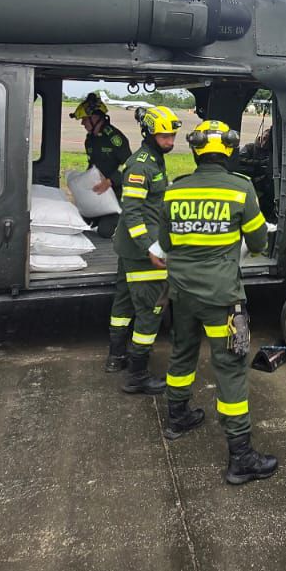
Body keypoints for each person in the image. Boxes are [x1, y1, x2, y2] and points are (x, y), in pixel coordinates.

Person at [153, 119, 277, 484]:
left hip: (181, 292)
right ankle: (241, 457)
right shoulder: (241, 189)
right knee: (231, 369)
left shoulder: (175, 190)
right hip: (222, 298)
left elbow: (168, 243)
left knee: (182, 353)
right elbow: (257, 244)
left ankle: (177, 418)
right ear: (229, 150)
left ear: (194, 149)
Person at [106, 105, 180, 383]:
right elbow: (132, 211)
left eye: (172, 136)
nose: (170, 142)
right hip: (142, 252)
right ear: (149, 133)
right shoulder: (141, 165)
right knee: (151, 311)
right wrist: (150, 246)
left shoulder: (155, 159)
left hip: (130, 249)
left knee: (123, 305)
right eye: (164, 137)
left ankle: (116, 357)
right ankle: (137, 373)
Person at [73, 92, 133, 197]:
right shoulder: (90, 141)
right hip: (100, 194)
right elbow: (93, 165)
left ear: (95, 117)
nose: (82, 123)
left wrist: (110, 181)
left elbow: (129, 165)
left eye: (85, 119)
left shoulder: (114, 139)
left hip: (117, 193)